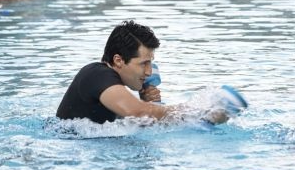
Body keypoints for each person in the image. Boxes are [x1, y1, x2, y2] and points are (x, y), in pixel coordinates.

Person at [56, 20, 223, 124]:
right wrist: (198, 113)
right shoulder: (96, 74)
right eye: (144, 63)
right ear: (118, 60)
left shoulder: (107, 84)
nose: (149, 72)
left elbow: (137, 117)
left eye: (150, 63)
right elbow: (137, 112)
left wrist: (148, 105)